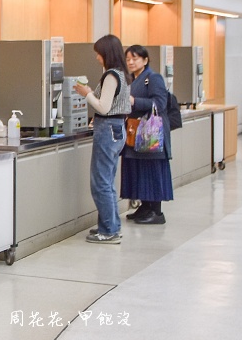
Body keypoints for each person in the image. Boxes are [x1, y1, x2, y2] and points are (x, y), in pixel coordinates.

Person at [73, 35, 132, 244]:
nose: (97, 57)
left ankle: (108, 231)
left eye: (99, 53)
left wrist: (86, 93)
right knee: (107, 181)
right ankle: (112, 225)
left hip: (107, 129)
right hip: (117, 129)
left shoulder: (111, 76)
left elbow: (103, 107)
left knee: (100, 183)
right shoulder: (123, 74)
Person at [120, 44, 173, 224]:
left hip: (151, 132)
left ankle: (156, 211)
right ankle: (145, 205)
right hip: (136, 132)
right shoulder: (133, 79)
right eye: (128, 59)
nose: (131, 62)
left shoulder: (153, 78)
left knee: (151, 169)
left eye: (135, 58)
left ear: (145, 60)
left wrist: (135, 101)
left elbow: (159, 104)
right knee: (139, 169)